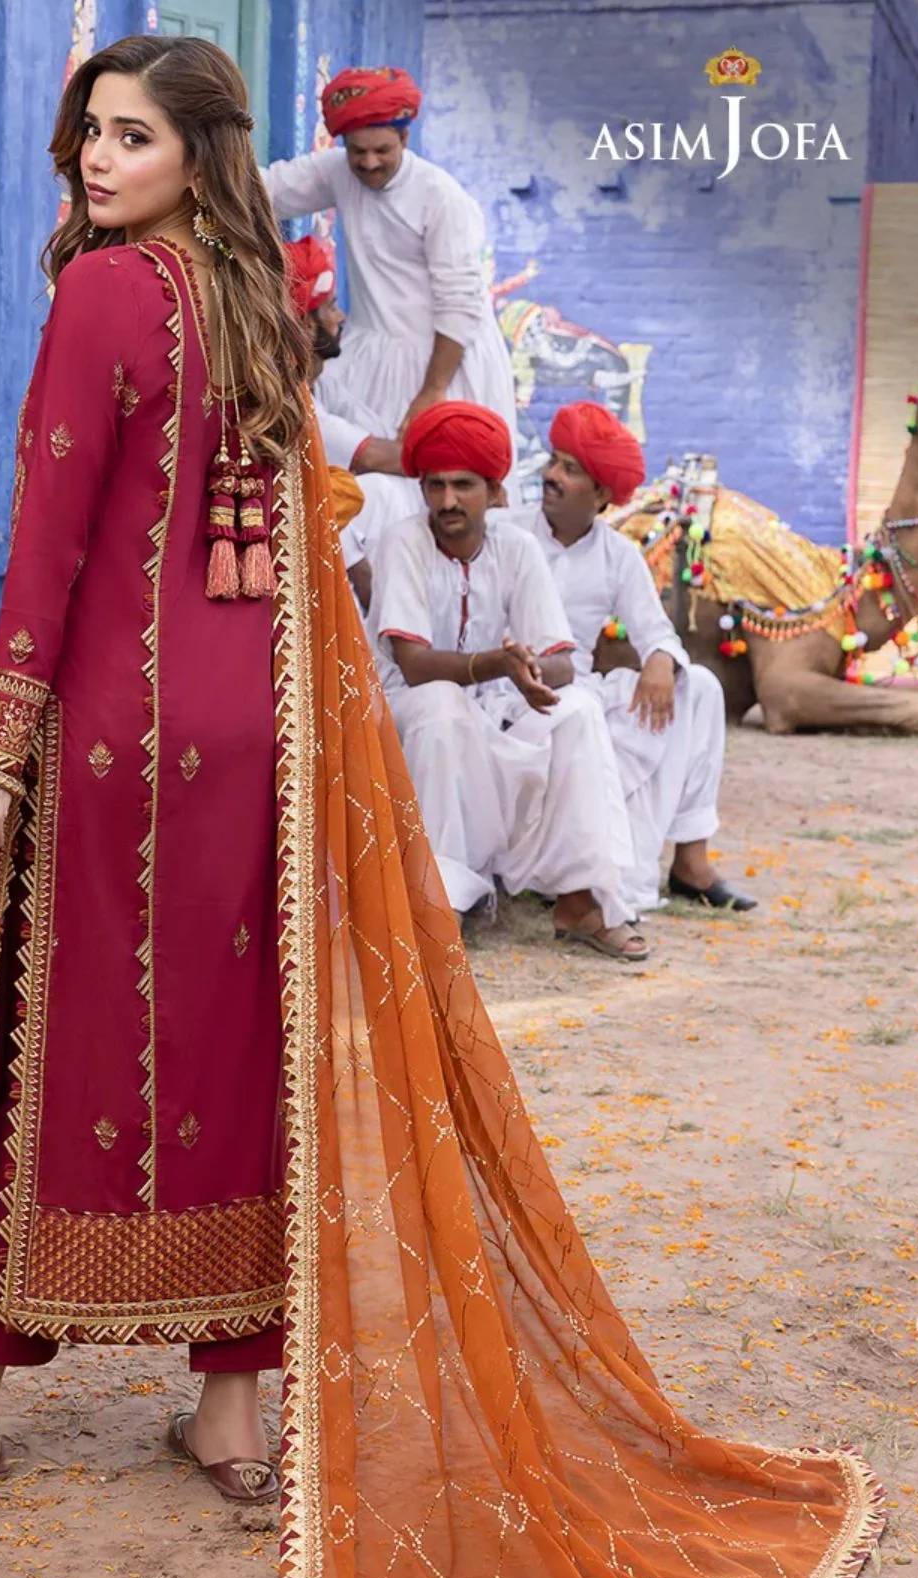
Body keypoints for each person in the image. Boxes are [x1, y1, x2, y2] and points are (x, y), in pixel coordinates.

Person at [0, 35, 879, 1578]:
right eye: (88, 133)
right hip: (260, 723)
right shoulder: (258, 300)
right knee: (246, 1045)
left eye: (131, 137)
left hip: (118, 731)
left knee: (49, 1041)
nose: (97, 161)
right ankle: (231, 1410)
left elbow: (53, 535)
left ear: (198, 152)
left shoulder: (107, 292)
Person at [368, 401, 646, 960]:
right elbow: (413, 664)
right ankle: (439, 903)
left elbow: (562, 659)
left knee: (578, 709)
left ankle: (580, 901)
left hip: (491, 708)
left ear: (495, 493)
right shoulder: (403, 541)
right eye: (436, 486)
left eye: (463, 486)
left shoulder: (517, 549)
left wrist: (527, 670)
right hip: (406, 716)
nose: (448, 501)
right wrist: (498, 663)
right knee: (442, 704)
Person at [511, 401, 757, 915]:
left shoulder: (617, 554)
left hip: (579, 690)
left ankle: (691, 862)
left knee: (700, 688)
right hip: (511, 692)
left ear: (602, 494)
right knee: (588, 714)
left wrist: (661, 660)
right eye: (553, 461)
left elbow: (656, 632)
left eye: (569, 469)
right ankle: (577, 872)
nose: (551, 475)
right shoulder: (509, 532)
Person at [262, 67, 520, 478]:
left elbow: (459, 306)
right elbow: (267, 190)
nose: (369, 163)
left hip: (443, 360)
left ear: (404, 138)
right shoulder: (339, 172)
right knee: (373, 481)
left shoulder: (440, 197)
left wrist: (432, 392)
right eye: (357, 151)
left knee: (444, 477)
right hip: (374, 353)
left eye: (381, 150)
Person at [286, 232, 421, 610]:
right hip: (297, 545)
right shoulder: (291, 400)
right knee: (383, 490)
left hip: (327, 544)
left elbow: (378, 436)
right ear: (305, 325)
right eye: (330, 307)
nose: (340, 317)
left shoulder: (324, 384)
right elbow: (381, 456)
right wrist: (465, 465)